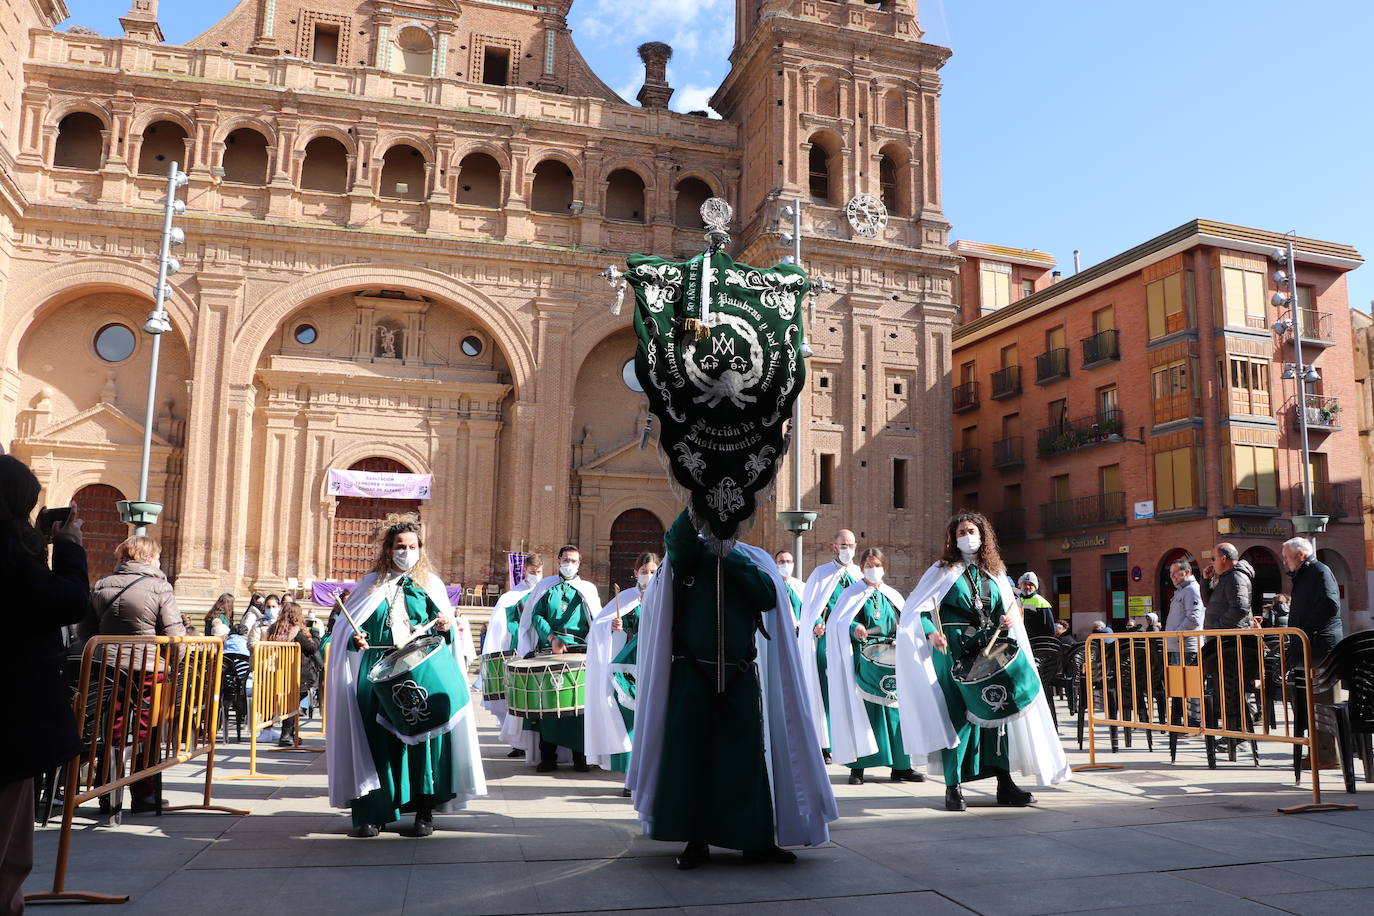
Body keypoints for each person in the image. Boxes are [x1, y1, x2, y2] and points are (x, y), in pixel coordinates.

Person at [627, 510, 837, 868]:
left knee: (746, 758)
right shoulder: (690, 556)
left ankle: (754, 840)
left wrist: (731, 554)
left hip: (739, 675)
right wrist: (697, 503)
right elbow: (675, 542)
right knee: (690, 757)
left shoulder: (753, 559)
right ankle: (696, 841)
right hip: (691, 675)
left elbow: (767, 596)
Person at [896, 512, 1070, 812]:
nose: (967, 535)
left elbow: (1012, 607)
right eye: (962, 531)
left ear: (983, 535)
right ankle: (953, 787)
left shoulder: (995, 571)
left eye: (972, 530)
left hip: (990, 652)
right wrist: (932, 634)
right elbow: (918, 611)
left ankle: (1005, 784)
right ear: (954, 537)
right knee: (957, 718)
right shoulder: (942, 570)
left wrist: (1009, 618)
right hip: (954, 654)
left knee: (998, 714)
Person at [325, 516, 485, 838]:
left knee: (423, 744)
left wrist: (444, 627)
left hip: (419, 675)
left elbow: (447, 638)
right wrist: (355, 640)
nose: (406, 552)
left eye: (412, 547)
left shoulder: (431, 586)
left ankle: (423, 812)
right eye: (400, 547)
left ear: (420, 549)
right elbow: (345, 631)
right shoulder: (370, 585)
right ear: (388, 549)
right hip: (377, 676)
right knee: (377, 743)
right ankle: (376, 812)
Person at [0, 457, 89, 915]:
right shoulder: (9, 556)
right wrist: (70, 550)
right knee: (9, 837)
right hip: (12, 714)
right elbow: (66, 601)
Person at [827, 548, 924, 785]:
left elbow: (906, 621)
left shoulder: (891, 594)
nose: (873, 569)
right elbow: (838, 622)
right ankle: (858, 767)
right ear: (861, 568)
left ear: (884, 567)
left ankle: (901, 766)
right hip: (864, 658)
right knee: (864, 712)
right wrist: (854, 628)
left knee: (895, 711)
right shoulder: (851, 593)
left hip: (891, 658)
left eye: (877, 565)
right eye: (869, 565)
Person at [502, 545, 603, 772]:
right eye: (566, 559)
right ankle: (548, 757)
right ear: (558, 560)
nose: (569, 563)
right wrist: (552, 637)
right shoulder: (546, 586)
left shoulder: (587, 589)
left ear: (579, 563)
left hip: (580, 650)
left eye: (574, 560)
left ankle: (581, 757)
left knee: (579, 708)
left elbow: (595, 620)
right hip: (549, 650)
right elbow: (534, 615)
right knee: (547, 707)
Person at [586, 552, 659, 785]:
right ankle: (631, 776)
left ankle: (653, 773)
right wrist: (614, 626)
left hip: (656, 662)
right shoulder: (627, 597)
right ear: (636, 573)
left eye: (653, 571)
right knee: (630, 719)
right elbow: (602, 626)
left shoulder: (666, 597)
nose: (648, 575)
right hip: (629, 667)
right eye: (644, 571)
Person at [798, 530, 861, 763]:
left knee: (855, 690)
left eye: (851, 545)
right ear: (834, 547)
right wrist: (816, 623)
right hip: (827, 642)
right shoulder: (821, 574)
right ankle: (825, 743)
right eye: (843, 545)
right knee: (826, 691)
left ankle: (854, 742)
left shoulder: (858, 574)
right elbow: (811, 606)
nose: (847, 549)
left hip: (854, 641)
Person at [1282, 537, 1343, 767]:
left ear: (1301, 555)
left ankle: (1328, 755)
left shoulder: (1319, 571)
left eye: (1287, 556)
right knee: (1313, 702)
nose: (1285, 561)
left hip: (1320, 647)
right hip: (1311, 645)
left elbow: (1330, 603)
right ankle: (1319, 752)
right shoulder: (1306, 574)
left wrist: (1305, 629)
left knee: (1323, 702)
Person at [479, 554, 542, 758]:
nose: (535, 575)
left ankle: (539, 745)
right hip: (516, 654)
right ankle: (518, 744)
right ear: (524, 570)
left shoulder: (546, 592)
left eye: (539, 572)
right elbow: (501, 626)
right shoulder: (512, 597)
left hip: (540, 653)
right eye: (532, 571)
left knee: (538, 701)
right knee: (514, 701)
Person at [1200, 543, 1258, 733]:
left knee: (1231, 691)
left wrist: (1218, 628)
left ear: (1223, 559)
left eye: (1213, 558)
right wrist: (1206, 581)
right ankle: (1232, 732)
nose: (1212, 562)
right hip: (1223, 642)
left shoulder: (1236, 578)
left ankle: (1237, 735)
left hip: (1230, 643)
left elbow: (1240, 608)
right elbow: (1209, 603)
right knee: (1225, 691)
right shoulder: (1224, 578)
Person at [265, 602, 324, 747]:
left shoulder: (274, 628)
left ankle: (291, 733)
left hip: (277, 672)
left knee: (289, 703)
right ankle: (286, 734)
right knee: (292, 703)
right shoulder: (296, 630)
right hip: (297, 672)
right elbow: (312, 647)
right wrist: (315, 632)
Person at [1164, 558, 1204, 727]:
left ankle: (1195, 720)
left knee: (1191, 686)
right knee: (1180, 686)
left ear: (1186, 572)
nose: (1172, 576)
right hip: (1177, 645)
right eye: (1171, 573)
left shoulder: (1191, 590)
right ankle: (1186, 720)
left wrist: (1177, 634)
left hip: (1186, 647)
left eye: (1175, 572)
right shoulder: (1181, 591)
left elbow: (1194, 618)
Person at [1015, 572, 1055, 640]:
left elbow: (1050, 629)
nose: (1027, 587)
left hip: (1036, 644)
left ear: (1035, 587)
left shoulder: (1042, 602)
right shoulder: (1016, 602)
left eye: (1031, 584)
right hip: (1020, 642)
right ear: (1020, 585)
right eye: (1025, 584)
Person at [773, 549, 805, 631]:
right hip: (778, 631)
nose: (786, 564)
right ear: (775, 564)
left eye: (788, 561)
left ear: (793, 564)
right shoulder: (771, 585)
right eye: (782, 562)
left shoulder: (801, 586)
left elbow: (809, 608)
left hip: (798, 632)